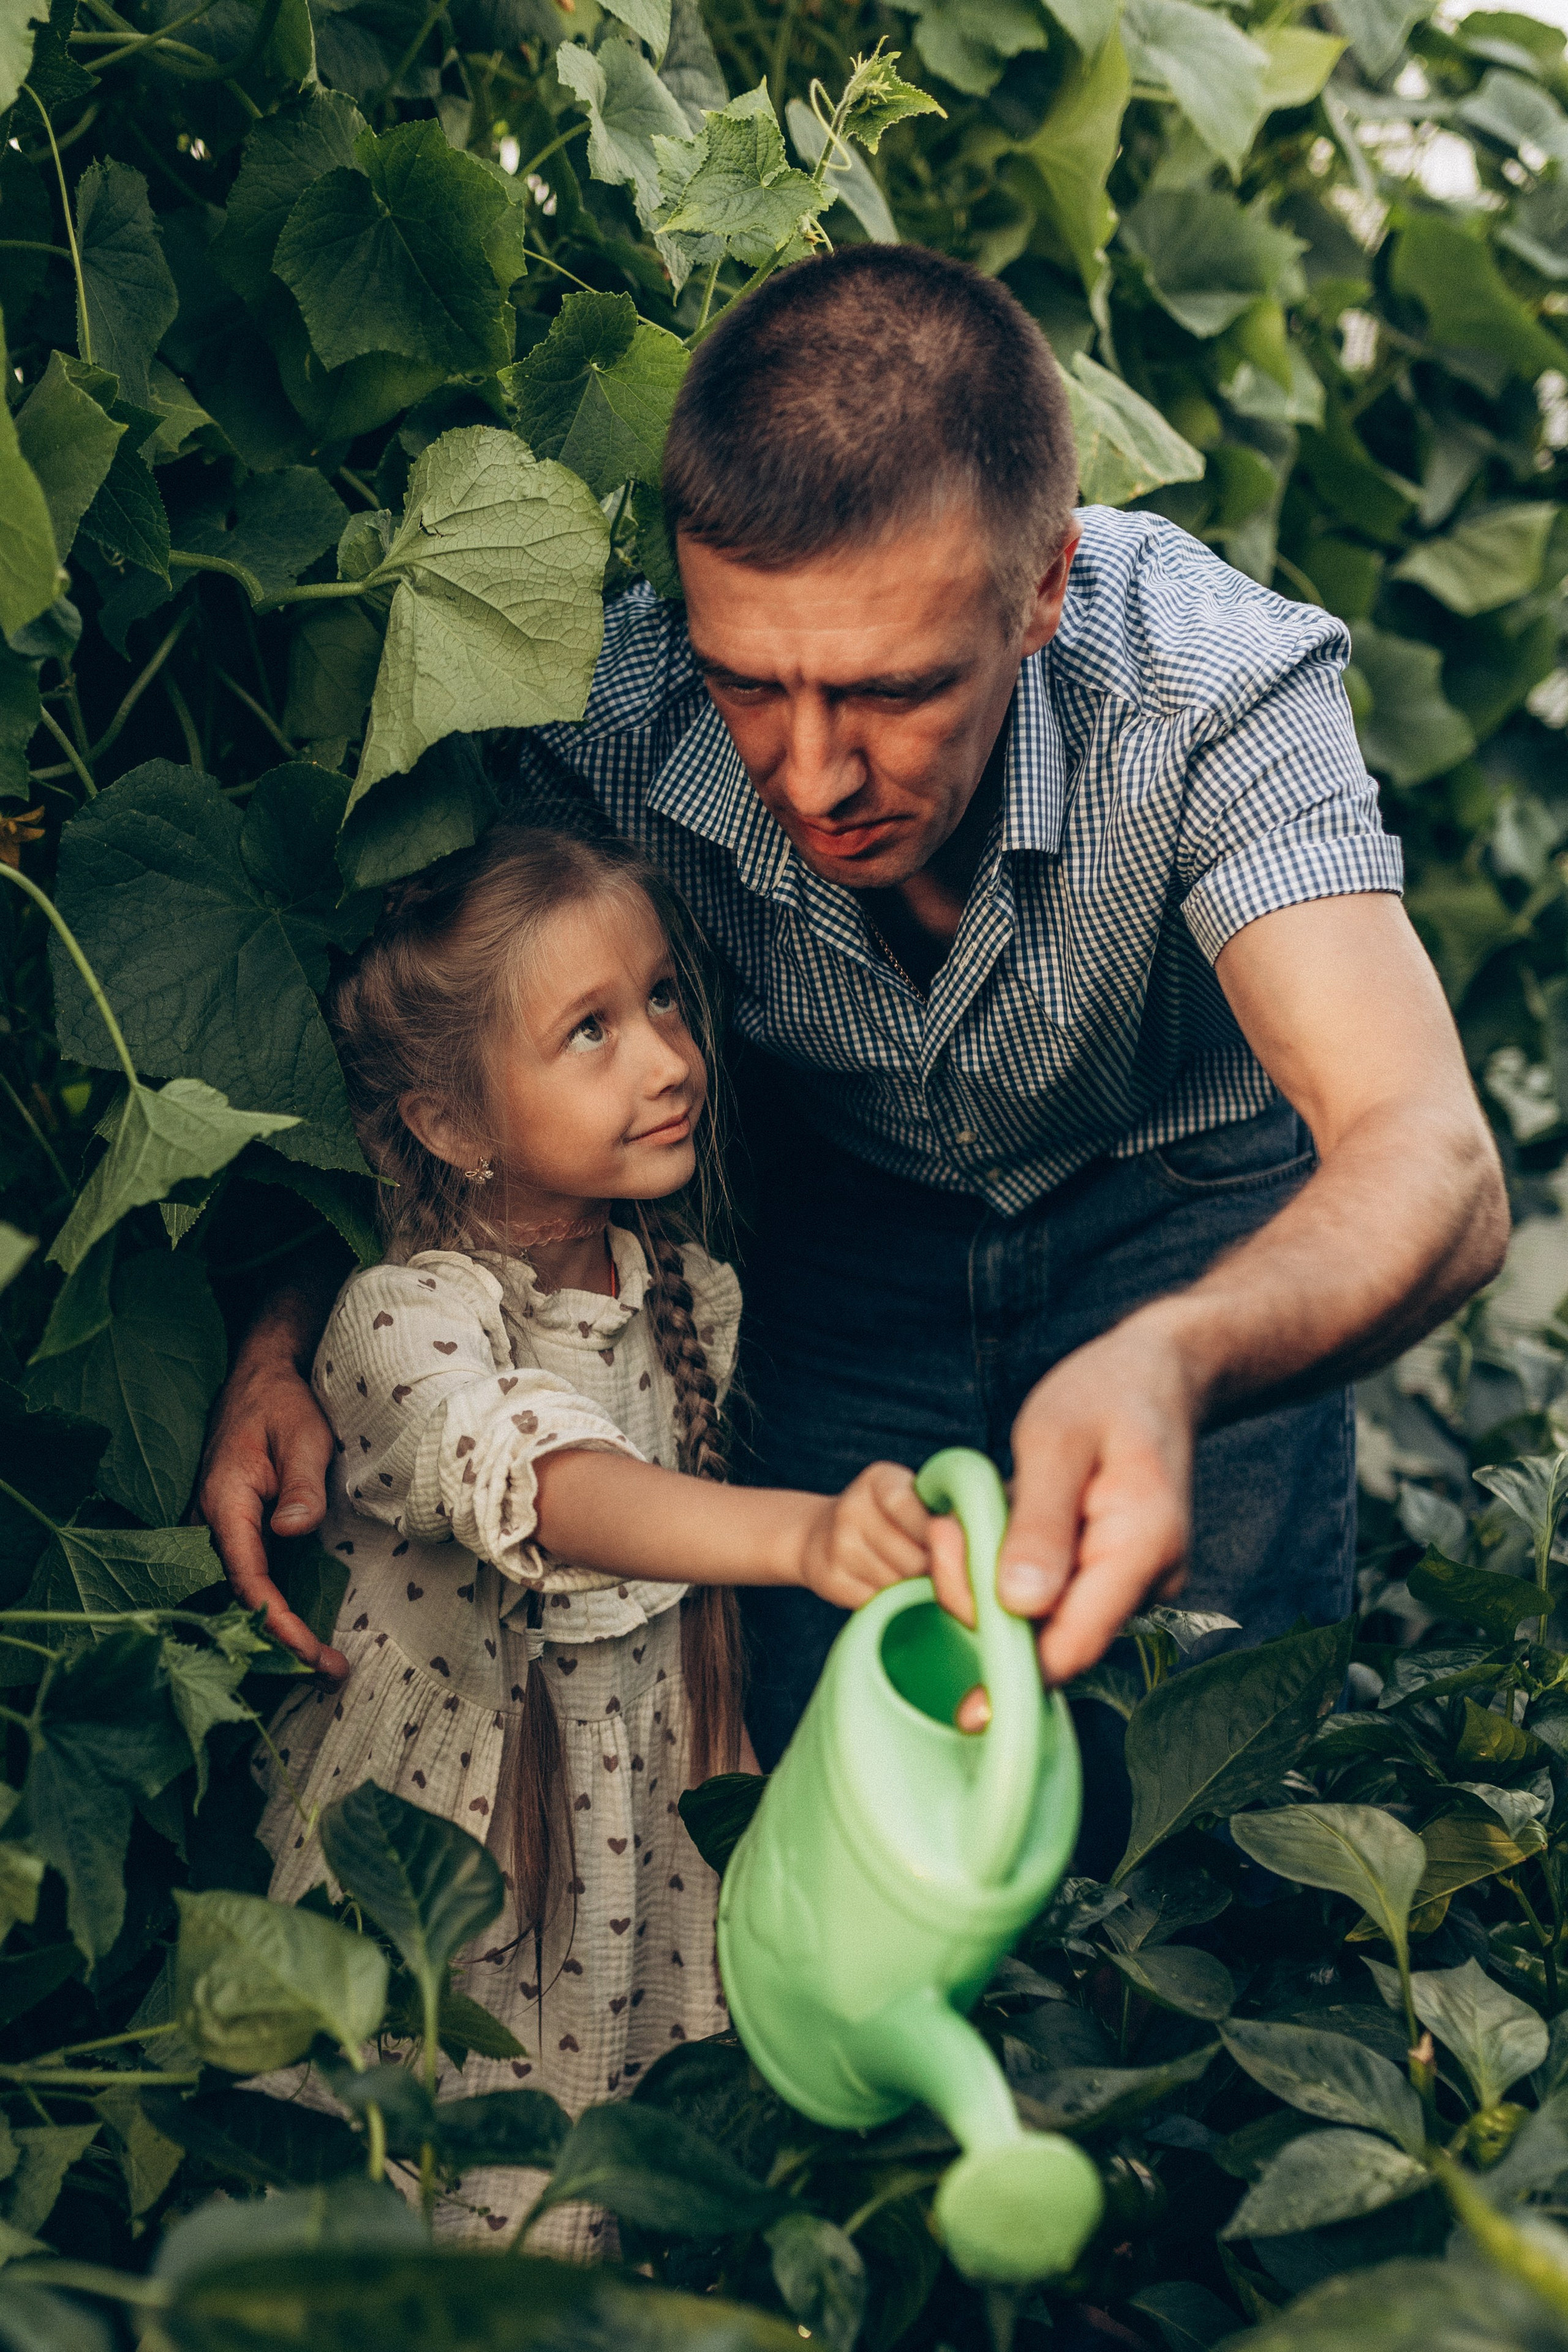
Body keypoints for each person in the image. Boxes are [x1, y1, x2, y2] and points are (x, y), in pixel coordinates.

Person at [202, 243, 1507, 1801]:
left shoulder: (1203, 686)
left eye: (889, 694)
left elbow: (1430, 1155)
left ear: (1042, 588)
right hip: (830, 1243)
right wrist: (285, 1331)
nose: (811, 773)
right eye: (748, 682)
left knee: (1201, 1796)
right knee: (830, 1799)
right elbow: (446, 1055)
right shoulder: (613, 719)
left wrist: (1174, 1357)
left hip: (1189, 1225)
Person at [253, 823, 957, 2242]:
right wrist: (806, 1536)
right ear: (449, 1122)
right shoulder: (402, 1322)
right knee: (449, 2198)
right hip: (468, 1873)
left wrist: (752, 1821)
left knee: (611, 2197)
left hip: (642, 1843)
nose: (666, 1056)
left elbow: (686, 1619)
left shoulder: (683, 1289)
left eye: (661, 999)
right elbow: (554, 1482)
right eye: (589, 1030)